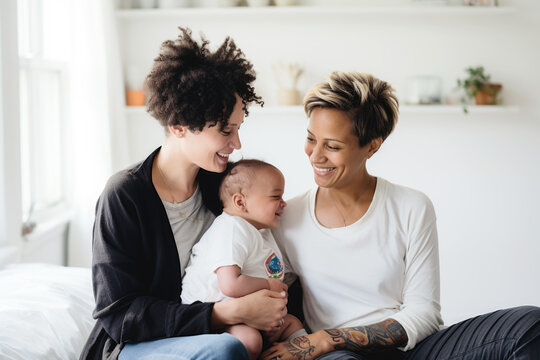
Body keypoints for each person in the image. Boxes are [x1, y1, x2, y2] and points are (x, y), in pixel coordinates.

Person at [263, 71, 540, 360]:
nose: (315, 155)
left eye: (332, 146)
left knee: (530, 325)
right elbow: (271, 293)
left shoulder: (411, 206)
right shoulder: (287, 216)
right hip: (342, 356)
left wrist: (328, 338)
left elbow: (424, 314)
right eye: (311, 139)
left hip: (415, 349)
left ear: (372, 145)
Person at [79, 28, 290, 360]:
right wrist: (226, 313)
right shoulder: (124, 196)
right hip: (136, 344)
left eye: (238, 129)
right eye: (225, 130)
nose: (237, 145)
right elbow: (120, 316)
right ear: (178, 126)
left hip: (215, 332)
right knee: (226, 349)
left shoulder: (224, 186)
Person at [181, 159, 307, 360]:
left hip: (254, 316)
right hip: (215, 319)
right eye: (276, 196)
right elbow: (230, 285)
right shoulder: (231, 229)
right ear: (240, 202)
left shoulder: (261, 232)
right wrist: (268, 285)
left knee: (293, 324)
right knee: (250, 341)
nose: (284, 203)